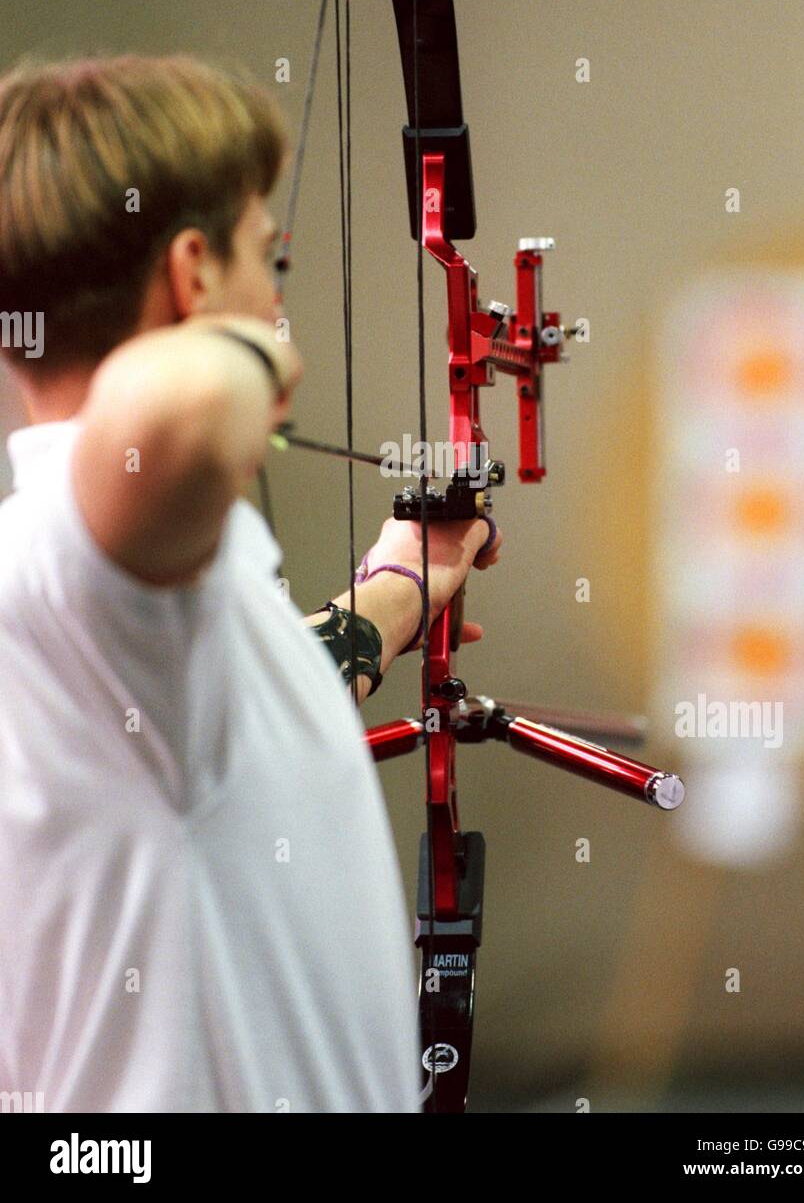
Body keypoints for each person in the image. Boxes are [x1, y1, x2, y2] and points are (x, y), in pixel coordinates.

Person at [0, 54, 501, 1113]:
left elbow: (246, 706)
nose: (278, 299)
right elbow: (176, 417)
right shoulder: (68, 554)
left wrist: (408, 579)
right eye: (266, 262)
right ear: (191, 273)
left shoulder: (120, 613)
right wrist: (249, 347)